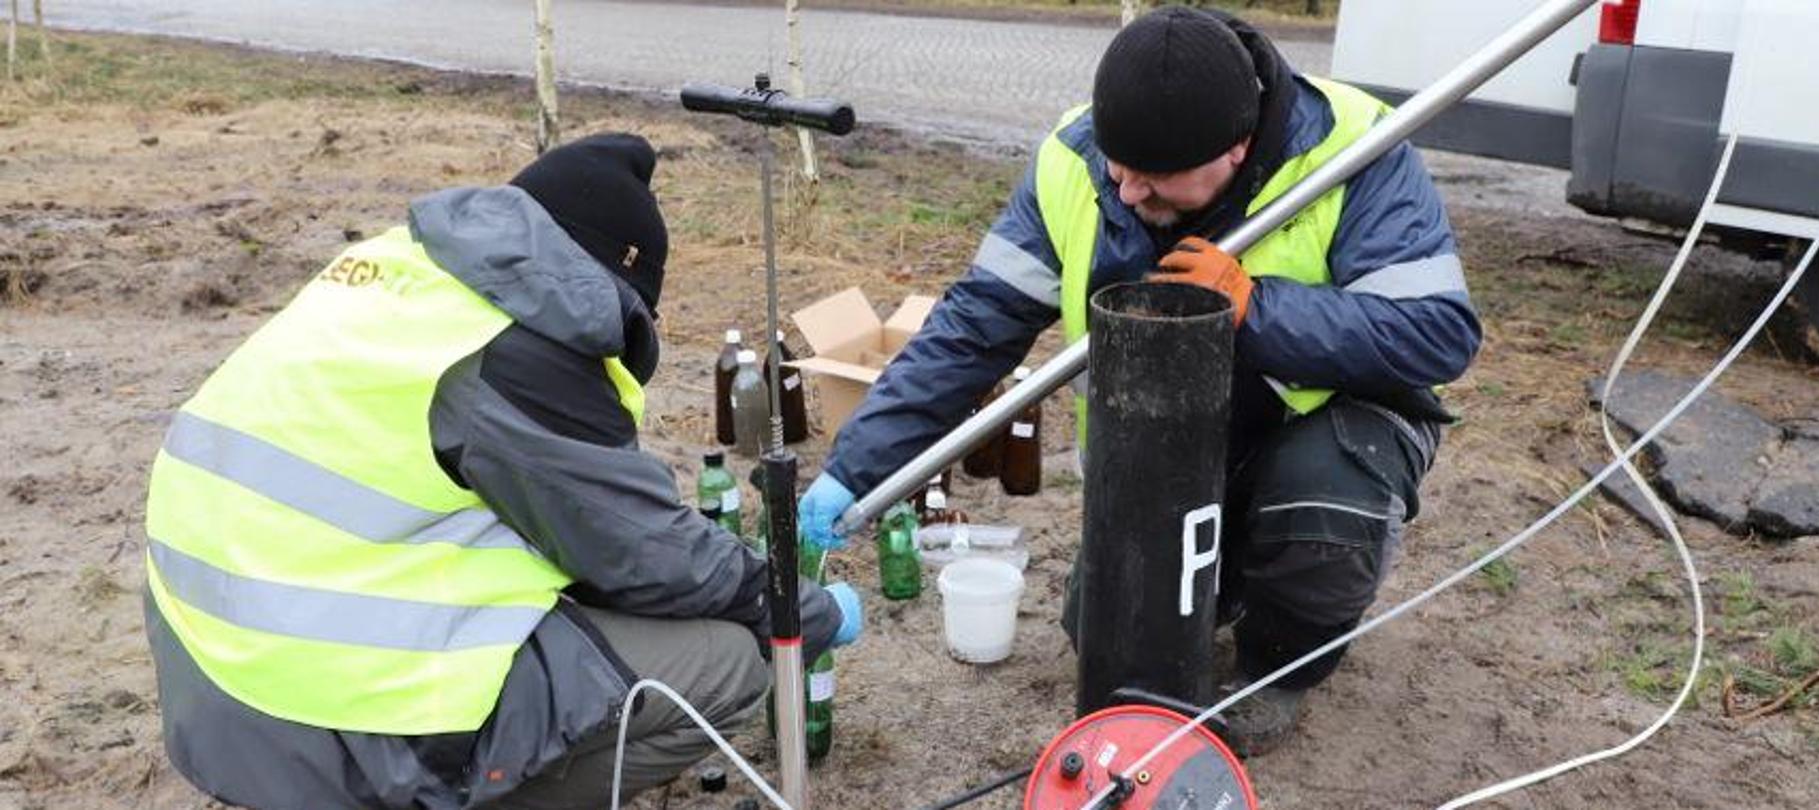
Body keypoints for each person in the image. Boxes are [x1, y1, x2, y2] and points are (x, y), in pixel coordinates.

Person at [799, 8, 1478, 753]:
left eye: (1153, 181)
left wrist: (1257, 308)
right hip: (1171, 451)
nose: (1125, 195)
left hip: (1314, 429)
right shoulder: (1076, 157)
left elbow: (1437, 334)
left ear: (1236, 149)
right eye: (1119, 170)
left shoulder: (1355, 151)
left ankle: (1277, 662)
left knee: (1321, 510)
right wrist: (857, 465)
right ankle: (1224, 578)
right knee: (1101, 634)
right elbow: (973, 326)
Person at [141, 132, 860, 810]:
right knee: (728, 664)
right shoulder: (517, 347)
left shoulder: (402, 273)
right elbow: (644, 552)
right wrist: (800, 606)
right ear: (614, 285)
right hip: (326, 706)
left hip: (208, 675)